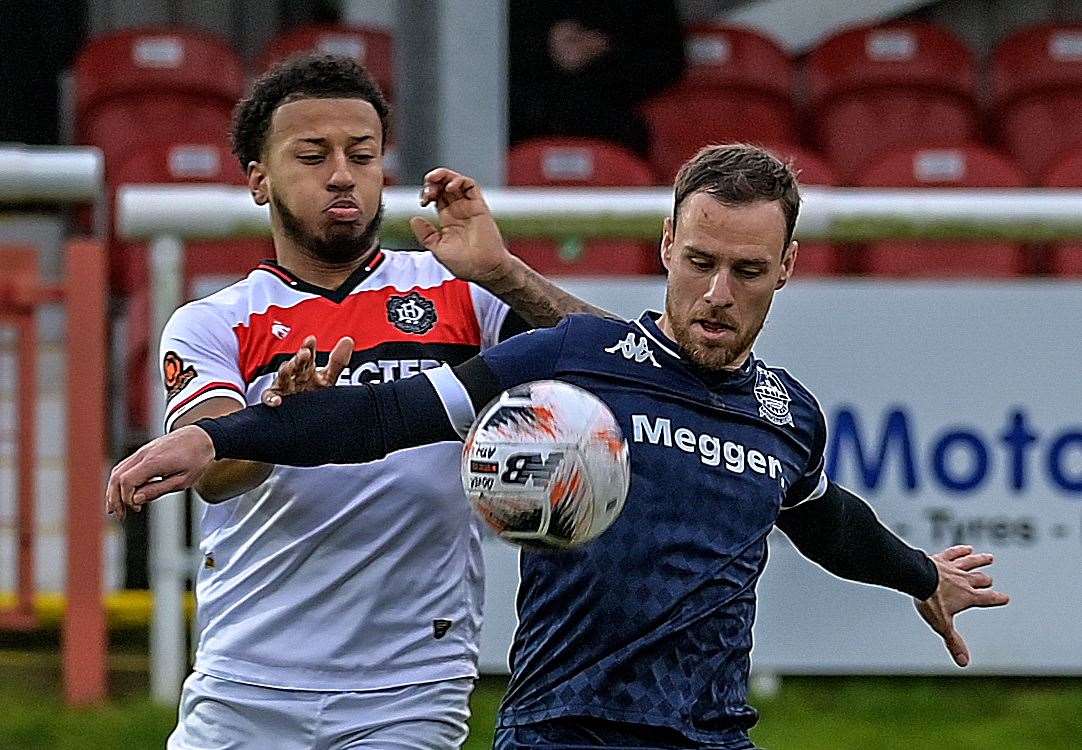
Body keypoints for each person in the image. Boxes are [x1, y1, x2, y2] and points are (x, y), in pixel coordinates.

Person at [108, 144, 1009, 749]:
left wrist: (920, 576)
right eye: (698, 261)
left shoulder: (784, 413)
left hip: (713, 735)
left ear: (788, 268)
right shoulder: (576, 358)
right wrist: (215, 438)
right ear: (665, 245)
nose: (718, 293)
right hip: (561, 729)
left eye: (746, 270)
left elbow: (826, 519)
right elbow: (381, 417)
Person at [122, 54, 605, 749]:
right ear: (259, 180)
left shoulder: (457, 292)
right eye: (313, 155)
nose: (342, 174)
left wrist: (504, 272)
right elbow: (216, 473)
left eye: (363, 154)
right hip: (249, 677)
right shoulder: (214, 321)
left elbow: (621, 365)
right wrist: (288, 424)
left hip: (410, 683)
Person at [509, 0, 685, 158]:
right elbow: (491, 51)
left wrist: (605, 50)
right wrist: (546, 47)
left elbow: (668, 59)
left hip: (615, 123)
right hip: (527, 122)